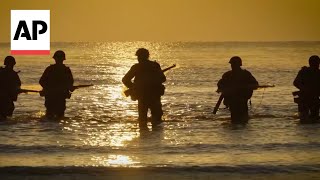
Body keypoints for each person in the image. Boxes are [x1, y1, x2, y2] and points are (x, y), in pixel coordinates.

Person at [122, 48, 166, 129]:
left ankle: (145, 138)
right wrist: (134, 87)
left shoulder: (136, 67)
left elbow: (125, 80)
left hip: (143, 96)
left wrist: (134, 87)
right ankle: (155, 139)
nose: (138, 58)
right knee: (157, 120)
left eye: (138, 56)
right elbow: (163, 79)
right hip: (154, 96)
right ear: (148, 56)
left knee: (142, 120)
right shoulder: (155, 65)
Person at [217, 56, 259, 124]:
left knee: (244, 119)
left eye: (234, 64)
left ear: (239, 64)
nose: (233, 66)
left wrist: (247, 87)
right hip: (232, 100)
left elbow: (255, 84)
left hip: (242, 100)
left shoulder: (246, 74)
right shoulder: (227, 75)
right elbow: (220, 84)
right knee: (234, 118)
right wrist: (222, 89)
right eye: (232, 64)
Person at [39, 50, 74, 119]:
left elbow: (41, 81)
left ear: (54, 58)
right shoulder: (66, 70)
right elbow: (70, 84)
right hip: (60, 97)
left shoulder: (49, 69)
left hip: (50, 96)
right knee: (60, 117)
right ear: (63, 59)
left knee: (49, 116)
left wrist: (47, 88)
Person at [293, 55, 320, 123]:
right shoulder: (305, 71)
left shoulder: (303, 71)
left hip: (308, 99)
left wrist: (303, 89)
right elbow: (295, 83)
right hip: (309, 99)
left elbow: (295, 83)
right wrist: (305, 89)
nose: (318, 64)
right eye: (318, 63)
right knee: (313, 118)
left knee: (304, 118)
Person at [0, 56, 21, 120]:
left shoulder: (2, 72)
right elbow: (18, 86)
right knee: (5, 117)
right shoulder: (13, 74)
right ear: (13, 64)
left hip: (5, 99)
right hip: (6, 100)